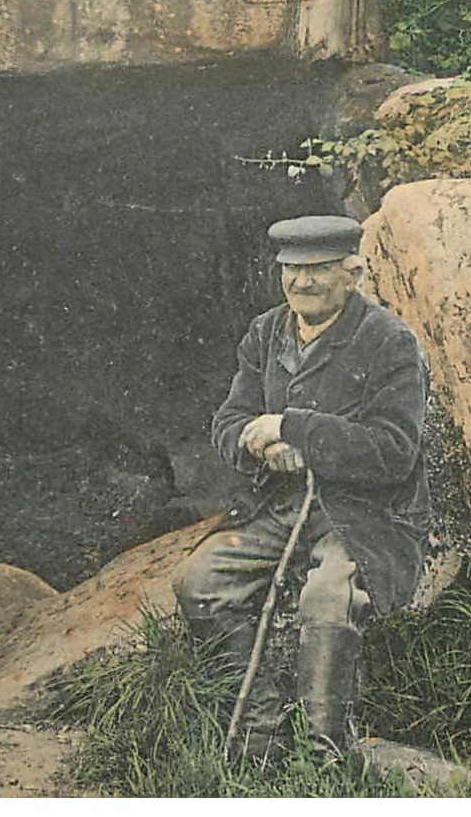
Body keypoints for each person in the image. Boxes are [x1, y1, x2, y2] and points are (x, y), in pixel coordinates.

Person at [175, 214, 430, 763]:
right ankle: (261, 735)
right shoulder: (266, 333)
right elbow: (229, 420)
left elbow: (393, 451)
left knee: (328, 599)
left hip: (364, 517)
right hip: (279, 506)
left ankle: (326, 751)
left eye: (318, 270)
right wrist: (255, 441)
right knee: (202, 582)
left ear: (352, 273)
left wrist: (296, 429)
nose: (303, 283)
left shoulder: (388, 341)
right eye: (292, 270)